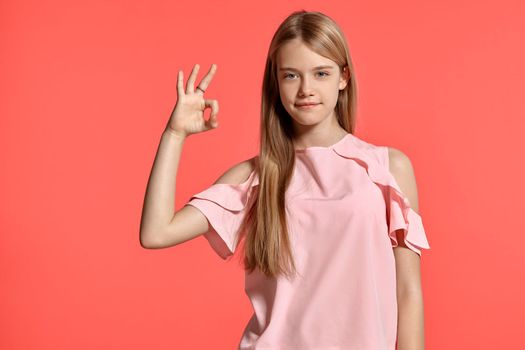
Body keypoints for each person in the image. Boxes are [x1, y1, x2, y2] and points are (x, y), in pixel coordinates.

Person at [139, 10, 430, 350]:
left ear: (343, 77)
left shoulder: (387, 168)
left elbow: (408, 292)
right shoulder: (254, 178)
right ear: (276, 83)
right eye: (291, 75)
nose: (306, 89)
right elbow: (156, 233)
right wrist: (174, 135)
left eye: (321, 73)